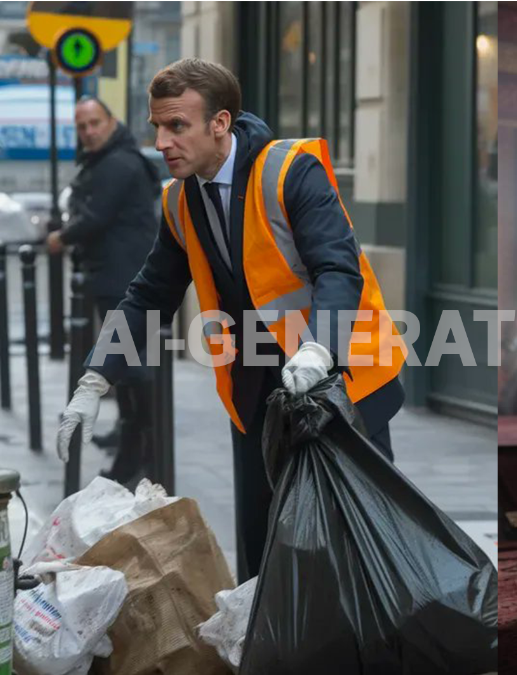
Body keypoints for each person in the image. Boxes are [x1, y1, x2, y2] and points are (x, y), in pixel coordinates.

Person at [54, 58, 406, 583]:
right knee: (263, 541)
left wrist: (317, 350)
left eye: (178, 126)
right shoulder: (179, 200)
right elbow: (150, 293)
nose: (161, 141)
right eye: (156, 126)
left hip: (341, 380)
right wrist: (95, 377)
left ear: (220, 123)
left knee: (362, 536)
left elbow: (338, 267)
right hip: (257, 388)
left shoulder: (290, 170)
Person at [47, 96, 160, 485]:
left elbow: (96, 217)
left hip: (127, 284)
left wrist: (62, 236)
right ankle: (135, 442)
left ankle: (140, 454)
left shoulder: (119, 163)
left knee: (133, 367)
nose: (89, 132)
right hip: (117, 279)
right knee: (127, 367)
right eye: (82, 126)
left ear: (112, 121)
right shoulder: (110, 160)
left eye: (95, 123)